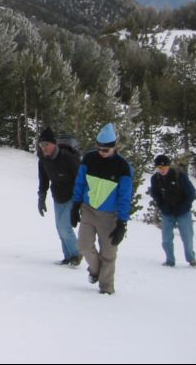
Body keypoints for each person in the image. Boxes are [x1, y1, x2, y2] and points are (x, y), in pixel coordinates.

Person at [70, 122, 133, 295]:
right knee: (83, 245)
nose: (102, 153)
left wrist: (122, 222)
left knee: (108, 253)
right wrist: (75, 206)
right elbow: (80, 183)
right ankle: (96, 271)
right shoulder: (89, 159)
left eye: (106, 150)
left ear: (114, 147)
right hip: (88, 210)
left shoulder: (123, 167)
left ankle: (106, 288)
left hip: (110, 216)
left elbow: (125, 197)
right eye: (99, 149)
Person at [36, 126, 82, 266]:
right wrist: (41, 197)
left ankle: (76, 254)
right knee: (60, 227)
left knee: (64, 227)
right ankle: (68, 257)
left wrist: (80, 201)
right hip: (57, 195)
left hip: (72, 195)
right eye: (41, 145)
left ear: (53, 143)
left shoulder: (66, 157)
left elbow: (80, 177)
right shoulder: (43, 160)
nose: (44, 147)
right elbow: (43, 180)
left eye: (46, 144)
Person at [149, 154, 196, 268]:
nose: (161, 170)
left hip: (183, 212)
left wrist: (183, 207)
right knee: (166, 239)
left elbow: (191, 194)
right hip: (167, 212)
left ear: (168, 166)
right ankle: (170, 260)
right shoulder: (155, 179)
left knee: (187, 237)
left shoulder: (179, 176)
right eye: (158, 168)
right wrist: (162, 207)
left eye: (164, 167)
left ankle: (191, 258)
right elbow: (155, 194)